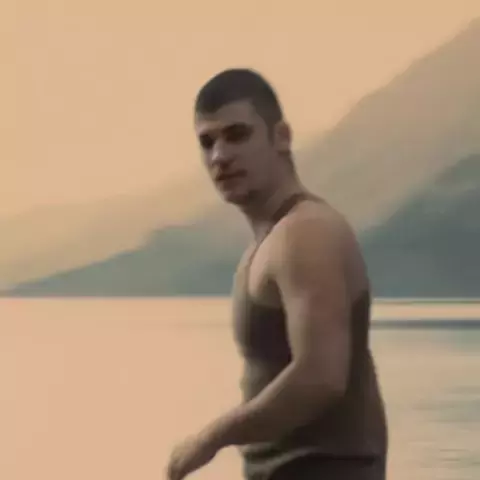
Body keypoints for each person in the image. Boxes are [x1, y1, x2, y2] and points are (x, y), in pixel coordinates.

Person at [166, 68, 388, 480]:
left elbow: (321, 377)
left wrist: (209, 439)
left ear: (281, 137)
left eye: (237, 135)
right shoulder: (269, 243)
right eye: (207, 142)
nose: (219, 156)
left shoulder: (306, 233)